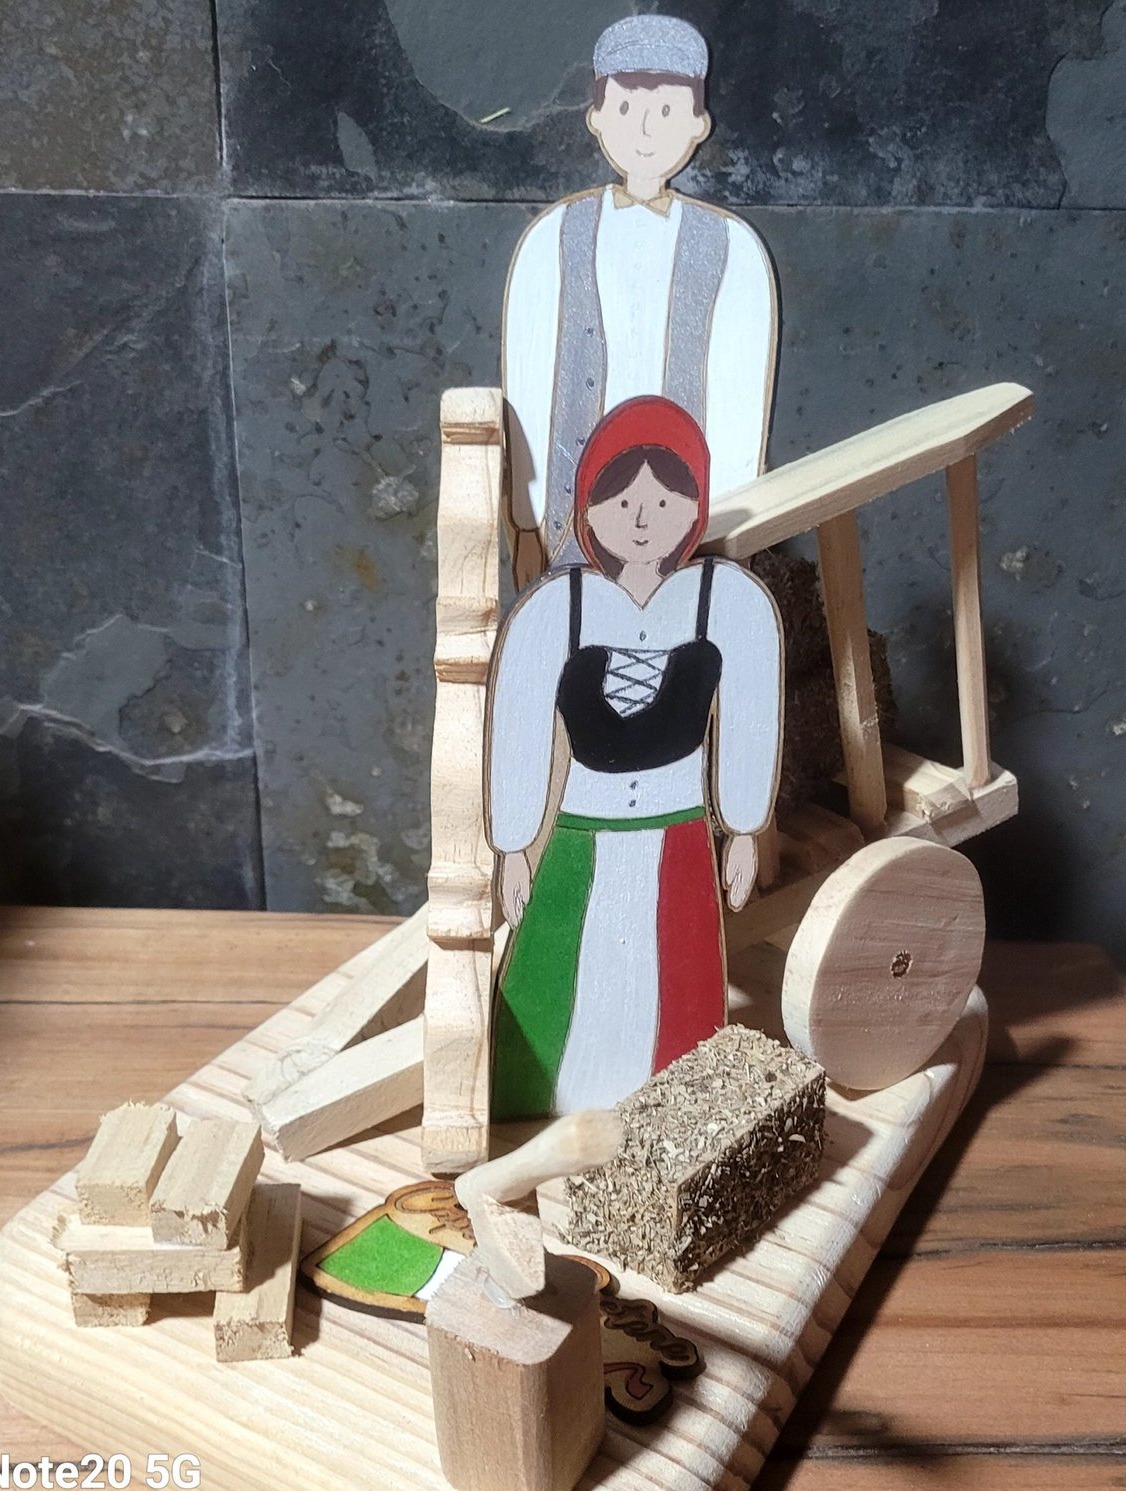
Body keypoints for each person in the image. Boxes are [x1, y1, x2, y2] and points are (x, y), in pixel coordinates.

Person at [485, 395, 782, 1118]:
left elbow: (753, 708)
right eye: (623, 501)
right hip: (578, 834)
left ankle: (676, 1115)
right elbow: (519, 720)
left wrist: (744, 829)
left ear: (694, 508)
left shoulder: (725, 600)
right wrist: (514, 846)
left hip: (679, 831)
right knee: (558, 972)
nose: (643, 519)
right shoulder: (559, 609)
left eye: (665, 500)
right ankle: (530, 1102)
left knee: (674, 975)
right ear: (590, 508)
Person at [502, 14, 778, 576]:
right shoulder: (551, 238)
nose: (647, 130)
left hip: (690, 535)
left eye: (668, 111)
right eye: (627, 108)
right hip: (568, 527)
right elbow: (526, 386)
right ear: (597, 117)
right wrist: (525, 520)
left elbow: (740, 401)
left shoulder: (735, 250)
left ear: (699, 123)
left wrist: (729, 529)